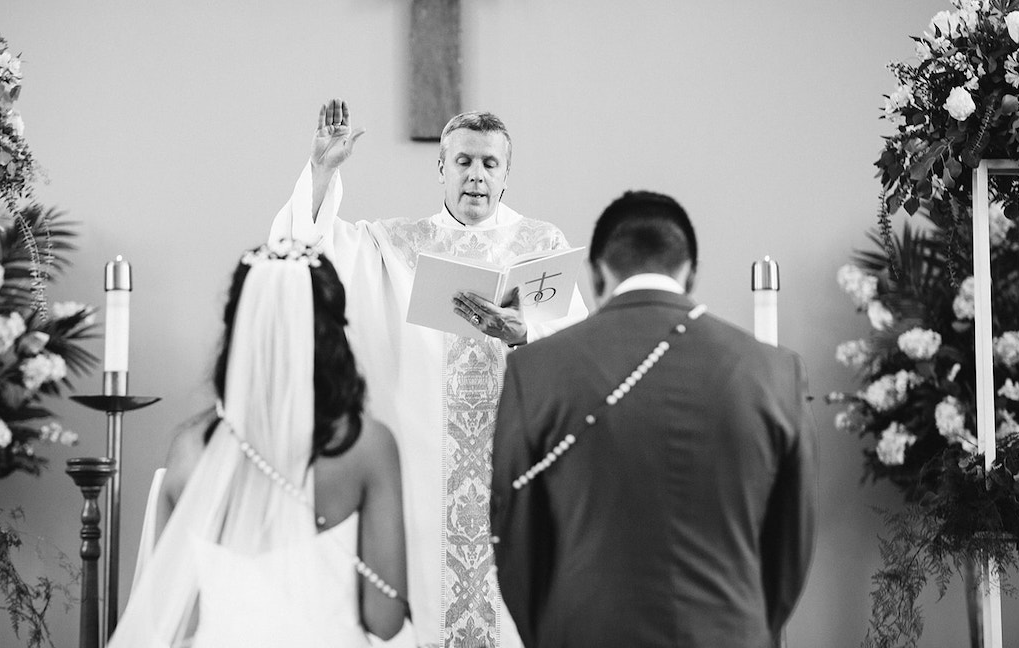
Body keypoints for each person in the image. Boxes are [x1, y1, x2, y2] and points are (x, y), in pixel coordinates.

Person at [270, 100, 587, 648]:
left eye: (490, 163)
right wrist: (323, 172)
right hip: (426, 472)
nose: (476, 175)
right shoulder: (397, 246)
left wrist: (525, 335)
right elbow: (306, 250)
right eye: (463, 161)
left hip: (516, 466)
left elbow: (580, 354)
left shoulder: (542, 248)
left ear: (506, 175)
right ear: (441, 168)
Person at [490, 191, 817, 648]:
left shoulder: (537, 370)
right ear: (691, 274)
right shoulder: (775, 372)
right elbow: (792, 545)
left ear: (597, 273)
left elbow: (515, 538)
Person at [109, 240, 408, 647]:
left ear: (240, 327)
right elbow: (385, 618)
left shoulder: (189, 449)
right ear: (330, 333)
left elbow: (175, 615)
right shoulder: (366, 446)